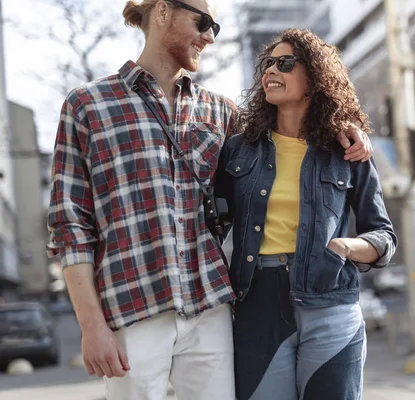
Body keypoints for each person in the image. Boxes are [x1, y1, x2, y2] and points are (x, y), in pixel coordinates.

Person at [46, 1, 373, 399]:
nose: (210, 37)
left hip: (212, 309)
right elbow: (70, 227)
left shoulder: (221, 113)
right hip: (133, 307)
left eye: (216, 27)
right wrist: (92, 326)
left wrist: (346, 128)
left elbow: (289, 141)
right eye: (203, 23)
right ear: (163, 11)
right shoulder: (87, 106)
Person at [216, 29, 397, 400]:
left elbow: (383, 236)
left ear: (315, 78)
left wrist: (348, 246)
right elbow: (211, 223)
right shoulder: (237, 150)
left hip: (330, 301)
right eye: (267, 64)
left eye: (284, 63)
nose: (270, 71)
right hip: (257, 306)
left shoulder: (346, 151)